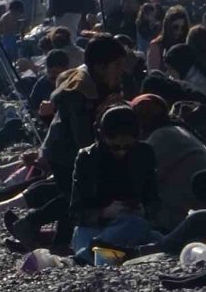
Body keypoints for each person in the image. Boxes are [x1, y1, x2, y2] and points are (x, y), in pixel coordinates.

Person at [7, 35, 127, 252]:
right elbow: (81, 136)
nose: (121, 71)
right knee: (75, 199)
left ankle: (60, 243)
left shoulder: (99, 83)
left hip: (68, 150)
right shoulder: (79, 91)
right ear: (100, 66)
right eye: (116, 65)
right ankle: (29, 224)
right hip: (64, 153)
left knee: (71, 196)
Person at [70, 105, 160, 266]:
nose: (121, 152)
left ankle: (85, 258)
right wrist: (104, 212)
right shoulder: (87, 159)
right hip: (94, 227)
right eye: (115, 147)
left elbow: (155, 200)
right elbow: (76, 213)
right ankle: (94, 255)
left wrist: (144, 209)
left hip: (130, 224)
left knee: (145, 230)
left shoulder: (144, 154)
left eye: (127, 147)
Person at [131, 94, 206, 231]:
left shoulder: (160, 138)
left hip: (182, 219)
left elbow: (136, 181)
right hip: (205, 209)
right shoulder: (178, 130)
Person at [147, 5, 190, 72]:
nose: (179, 31)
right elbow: (154, 73)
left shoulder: (186, 44)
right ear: (168, 26)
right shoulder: (157, 46)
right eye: (175, 27)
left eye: (183, 28)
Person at [29, 50, 70, 115]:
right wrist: (40, 111)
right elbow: (31, 106)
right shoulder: (42, 83)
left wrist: (55, 108)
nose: (51, 76)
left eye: (55, 72)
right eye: (48, 72)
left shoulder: (73, 84)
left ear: (66, 70)